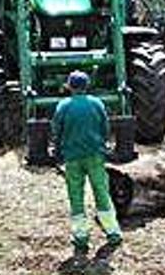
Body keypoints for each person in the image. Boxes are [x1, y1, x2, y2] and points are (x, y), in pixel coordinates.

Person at [51, 71, 123, 256]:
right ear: (87, 85)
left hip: (72, 158)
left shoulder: (63, 105)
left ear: (69, 86)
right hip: (95, 156)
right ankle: (113, 231)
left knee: (76, 195)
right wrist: (103, 145)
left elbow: (56, 131)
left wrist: (57, 151)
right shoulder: (97, 103)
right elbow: (105, 128)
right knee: (101, 191)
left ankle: (81, 236)